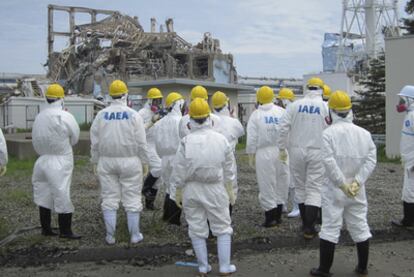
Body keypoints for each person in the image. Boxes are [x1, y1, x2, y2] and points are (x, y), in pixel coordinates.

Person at [310, 91, 376, 277]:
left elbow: (329, 162)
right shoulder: (364, 134)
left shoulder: (327, 134)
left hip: (335, 190)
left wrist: (341, 184)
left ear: (331, 112)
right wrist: (357, 181)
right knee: (360, 225)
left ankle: (324, 270)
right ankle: (362, 267)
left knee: (330, 227)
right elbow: (371, 160)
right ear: (349, 111)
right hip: (357, 190)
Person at [171, 98, 237, 276]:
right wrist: (230, 188)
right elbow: (229, 168)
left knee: (196, 228)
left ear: (190, 118)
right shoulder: (221, 139)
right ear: (209, 117)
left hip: (191, 190)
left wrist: (177, 190)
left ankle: (202, 267)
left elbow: (178, 168)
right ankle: (224, 267)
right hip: (215, 188)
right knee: (222, 227)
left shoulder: (186, 141)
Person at [90, 80, 149, 245]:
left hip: (106, 162)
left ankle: (110, 236)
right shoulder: (133, 115)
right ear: (125, 95)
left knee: (109, 197)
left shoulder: (101, 115)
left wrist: (94, 160)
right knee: (132, 198)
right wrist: (145, 161)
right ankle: (134, 235)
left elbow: (94, 142)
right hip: (130, 162)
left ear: (110, 95)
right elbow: (141, 143)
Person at [278, 77, 328, 239]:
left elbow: (283, 128)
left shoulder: (294, 106)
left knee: (300, 186)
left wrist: (281, 147)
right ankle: (309, 227)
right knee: (314, 188)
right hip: (318, 151)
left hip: (297, 150)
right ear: (321, 89)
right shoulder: (326, 107)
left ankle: (305, 224)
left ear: (307, 88)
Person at [32, 84, 81, 239]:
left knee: (43, 194)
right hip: (60, 160)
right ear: (61, 99)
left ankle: (46, 229)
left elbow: (35, 139)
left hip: (41, 160)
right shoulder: (65, 116)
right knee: (62, 193)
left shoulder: (39, 116)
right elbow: (75, 137)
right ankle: (65, 231)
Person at [246, 86, 288, 227]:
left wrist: (251, 154)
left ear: (259, 98)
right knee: (281, 180)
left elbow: (252, 138)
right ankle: (279, 214)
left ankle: (270, 218)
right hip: (281, 150)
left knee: (266, 183)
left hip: (264, 153)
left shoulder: (256, 115)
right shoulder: (282, 112)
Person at [152, 92, 186, 225]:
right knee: (176, 188)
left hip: (164, 158)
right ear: (178, 104)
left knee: (167, 187)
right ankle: (174, 220)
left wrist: (162, 156)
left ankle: (166, 216)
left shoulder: (160, 122)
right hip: (177, 157)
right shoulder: (180, 121)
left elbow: (157, 144)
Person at [211, 90, 244, 212]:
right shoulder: (233, 122)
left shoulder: (209, 119)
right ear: (226, 104)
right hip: (229, 158)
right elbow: (240, 132)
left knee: (213, 187)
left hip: (211, 158)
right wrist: (234, 117)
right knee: (230, 186)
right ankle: (227, 214)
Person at [275, 88, 299, 218]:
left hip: (291, 147)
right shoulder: (285, 111)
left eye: (280, 99)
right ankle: (284, 204)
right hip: (289, 147)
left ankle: (294, 205)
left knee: (290, 178)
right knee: (286, 177)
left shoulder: (290, 111)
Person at [392, 85, 414, 228]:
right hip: (410, 159)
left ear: (410, 100)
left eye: (402, 100)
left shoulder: (413, 115)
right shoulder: (410, 114)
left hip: (412, 161)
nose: (400, 103)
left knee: (410, 191)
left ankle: (408, 221)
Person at [139, 88, 164, 210]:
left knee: (159, 177)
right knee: (158, 167)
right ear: (149, 100)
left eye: (159, 100)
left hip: (157, 145)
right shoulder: (142, 113)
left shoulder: (159, 113)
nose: (157, 103)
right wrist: (151, 122)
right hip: (147, 145)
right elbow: (138, 131)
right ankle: (145, 188)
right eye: (155, 101)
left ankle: (149, 204)